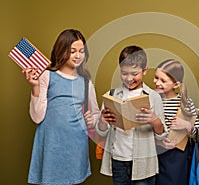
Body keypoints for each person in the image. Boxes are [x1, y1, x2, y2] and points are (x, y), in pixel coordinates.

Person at [22, 29, 100, 184]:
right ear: (61, 50)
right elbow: (37, 117)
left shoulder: (86, 82)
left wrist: (92, 119)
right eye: (72, 51)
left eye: (81, 51)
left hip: (76, 144)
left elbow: (95, 115)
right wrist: (35, 87)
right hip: (51, 143)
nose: (78, 56)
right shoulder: (47, 76)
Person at [95, 45, 168, 185]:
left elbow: (161, 135)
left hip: (143, 162)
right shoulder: (112, 95)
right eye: (124, 73)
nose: (129, 78)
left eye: (134, 73)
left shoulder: (153, 97)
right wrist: (103, 121)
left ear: (145, 70)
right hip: (118, 161)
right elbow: (101, 132)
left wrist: (155, 121)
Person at [153, 59, 199, 185]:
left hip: (178, 158)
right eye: (156, 77)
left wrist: (187, 126)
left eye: (163, 80)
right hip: (155, 155)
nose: (157, 83)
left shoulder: (185, 102)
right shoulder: (151, 101)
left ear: (176, 85)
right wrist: (158, 141)